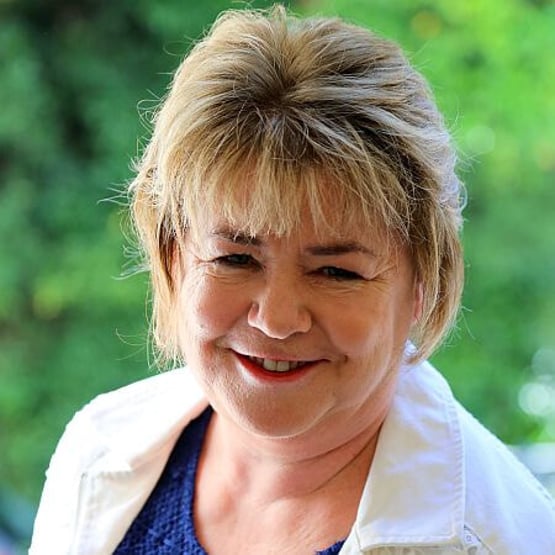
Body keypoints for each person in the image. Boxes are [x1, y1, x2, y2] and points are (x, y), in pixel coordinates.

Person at [30, 6, 555, 554]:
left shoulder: (506, 542)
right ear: (173, 256)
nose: (277, 320)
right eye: (235, 259)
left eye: (336, 271)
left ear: (423, 285)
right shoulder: (95, 453)